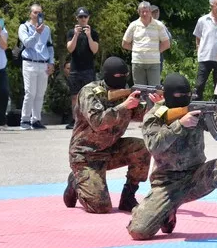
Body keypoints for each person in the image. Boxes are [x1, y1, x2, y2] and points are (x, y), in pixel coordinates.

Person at [127, 73, 217, 245]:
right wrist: (179, 125)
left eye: (186, 95)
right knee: (138, 231)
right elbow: (154, 145)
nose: (183, 99)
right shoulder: (155, 115)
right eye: (178, 96)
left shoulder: (195, 110)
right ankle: (164, 211)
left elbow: (216, 124)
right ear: (168, 96)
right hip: (167, 185)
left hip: (195, 177)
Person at [63, 57, 151, 213]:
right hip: (85, 155)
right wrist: (124, 106)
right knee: (100, 206)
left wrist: (158, 104)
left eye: (125, 76)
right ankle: (76, 181)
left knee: (142, 148)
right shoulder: (89, 92)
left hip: (110, 150)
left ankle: (128, 196)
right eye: (118, 76)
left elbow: (141, 114)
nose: (122, 79)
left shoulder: (125, 93)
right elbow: (98, 122)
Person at [18, 3, 55, 130]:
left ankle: (36, 119)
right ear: (30, 14)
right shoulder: (24, 27)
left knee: (40, 93)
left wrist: (51, 62)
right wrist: (37, 33)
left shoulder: (47, 29)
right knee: (30, 92)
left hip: (43, 64)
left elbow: (49, 47)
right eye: (35, 12)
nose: (37, 15)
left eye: (40, 13)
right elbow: (27, 43)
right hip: (29, 62)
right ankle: (25, 119)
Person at [66, 7, 99, 129]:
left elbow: (95, 49)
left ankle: (89, 120)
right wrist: (76, 35)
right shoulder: (71, 33)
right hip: (75, 69)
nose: (83, 19)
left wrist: (89, 36)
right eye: (81, 17)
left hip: (88, 69)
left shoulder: (93, 33)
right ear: (77, 18)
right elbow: (70, 48)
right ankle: (75, 120)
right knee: (75, 96)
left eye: (85, 16)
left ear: (88, 18)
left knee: (89, 96)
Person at [122, 1, 170, 86]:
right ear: (138, 12)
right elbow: (125, 43)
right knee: (139, 91)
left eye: (146, 11)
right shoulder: (133, 25)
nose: (144, 14)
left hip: (154, 63)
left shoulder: (159, 25)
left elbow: (166, 44)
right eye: (142, 11)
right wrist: (138, 50)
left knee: (154, 91)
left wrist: (155, 51)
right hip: (138, 63)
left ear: (150, 11)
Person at [45, 60, 72, 125]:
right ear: (64, 69)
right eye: (68, 68)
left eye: (71, 69)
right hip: (57, 103)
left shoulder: (72, 78)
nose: (70, 71)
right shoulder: (60, 79)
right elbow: (68, 90)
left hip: (64, 102)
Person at [150, 5, 172, 74]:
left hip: (158, 54)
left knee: (156, 77)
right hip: (150, 55)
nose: (156, 14)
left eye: (157, 11)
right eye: (153, 12)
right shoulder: (148, 25)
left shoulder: (160, 24)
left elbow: (169, 39)